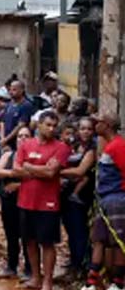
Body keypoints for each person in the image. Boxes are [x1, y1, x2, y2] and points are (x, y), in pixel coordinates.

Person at [15, 110, 71, 290]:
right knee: (29, 240)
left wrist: (29, 167)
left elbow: (51, 173)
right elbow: (17, 169)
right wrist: (41, 168)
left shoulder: (61, 147)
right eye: (48, 125)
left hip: (48, 203)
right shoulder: (26, 144)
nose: (51, 129)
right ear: (38, 125)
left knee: (47, 242)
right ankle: (35, 277)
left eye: (54, 126)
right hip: (25, 200)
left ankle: (48, 282)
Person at [75, 115, 125, 290]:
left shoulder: (118, 146)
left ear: (108, 125)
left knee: (117, 242)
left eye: (99, 122)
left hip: (116, 198)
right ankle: (91, 283)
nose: (96, 125)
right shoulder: (108, 146)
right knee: (99, 240)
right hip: (104, 199)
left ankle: (118, 284)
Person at [60, 116, 96, 281]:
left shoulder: (92, 149)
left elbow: (81, 171)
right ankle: (74, 262)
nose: (86, 132)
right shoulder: (74, 146)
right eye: (83, 128)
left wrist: (55, 172)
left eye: (89, 129)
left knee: (79, 230)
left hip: (82, 195)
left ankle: (80, 266)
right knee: (70, 229)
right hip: (67, 192)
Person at [0, 135, 29, 281]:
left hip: (27, 199)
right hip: (8, 200)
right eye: (20, 136)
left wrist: (18, 185)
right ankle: (11, 266)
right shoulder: (8, 154)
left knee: (28, 235)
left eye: (26, 136)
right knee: (10, 234)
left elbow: (36, 176)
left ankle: (30, 268)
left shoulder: (32, 156)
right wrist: (15, 173)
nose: (22, 139)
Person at [0, 79, 35, 151]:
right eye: (10, 90)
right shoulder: (9, 104)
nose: (11, 92)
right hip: (5, 142)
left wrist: (6, 139)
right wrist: (3, 138)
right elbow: (3, 122)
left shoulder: (26, 105)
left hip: (18, 142)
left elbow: (21, 125)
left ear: (22, 90)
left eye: (14, 90)